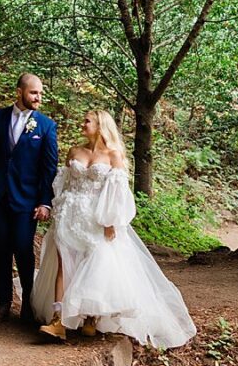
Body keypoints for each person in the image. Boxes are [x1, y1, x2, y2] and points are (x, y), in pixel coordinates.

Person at [32, 110, 196, 349]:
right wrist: (57, 207)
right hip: (70, 214)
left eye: (87, 120)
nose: (82, 123)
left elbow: (118, 192)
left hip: (96, 218)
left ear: (100, 125)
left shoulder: (113, 155)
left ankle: (90, 316)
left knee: (93, 265)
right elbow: (64, 183)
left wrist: (111, 221)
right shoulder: (74, 152)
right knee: (63, 265)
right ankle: (58, 321)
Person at [0, 74, 58, 326]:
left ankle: (29, 305)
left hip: (27, 201)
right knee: (1, 249)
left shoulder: (46, 126)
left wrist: (45, 201)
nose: (38, 98)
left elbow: (48, 168)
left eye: (40, 93)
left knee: (23, 248)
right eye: (33, 93)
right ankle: (2, 303)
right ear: (19, 92)